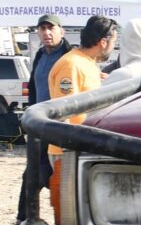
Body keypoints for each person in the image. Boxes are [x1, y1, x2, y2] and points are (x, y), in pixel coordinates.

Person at [42, 15, 116, 213]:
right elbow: (64, 109)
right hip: (68, 150)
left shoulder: (87, 63)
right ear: (103, 42)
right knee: (70, 211)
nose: (113, 48)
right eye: (113, 43)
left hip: (82, 146)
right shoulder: (72, 64)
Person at [25, 15, 67, 105]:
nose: (46, 32)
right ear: (38, 33)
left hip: (63, 116)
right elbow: (32, 87)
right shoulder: (40, 55)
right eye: (43, 28)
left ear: (62, 32)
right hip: (40, 116)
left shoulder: (69, 55)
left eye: (51, 28)